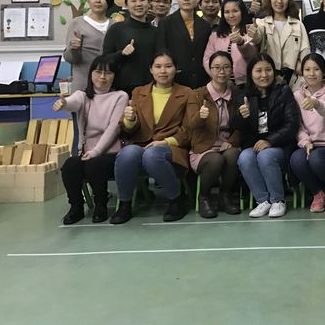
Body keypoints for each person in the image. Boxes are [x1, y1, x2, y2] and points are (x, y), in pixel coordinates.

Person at [111, 51, 192, 224]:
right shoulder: (138, 92)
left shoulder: (187, 93)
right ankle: (125, 205)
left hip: (172, 147)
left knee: (153, 154)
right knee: (127, 153)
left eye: (168, 66)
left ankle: (176, 201)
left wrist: (165, 142)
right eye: (158, 66)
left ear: (176, 69)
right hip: (142, 145)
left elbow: (188, 129)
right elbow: (128, 129)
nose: (163, 71)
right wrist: (130, 120)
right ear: (151, 70)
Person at [55, 56, 128, 224]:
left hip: (111, 153)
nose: (102, 77)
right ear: (91, 74)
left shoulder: (120, 96)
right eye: (98, 72)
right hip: (87, 153)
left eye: (108, 73)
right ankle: (76, 206)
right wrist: (63, 103)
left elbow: (113, 129)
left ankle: (101, 205)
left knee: (95, 164)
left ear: (114, 76)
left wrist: (96, 151)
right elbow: (72, 102)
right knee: (70, 165)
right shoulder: (82, 95)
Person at [234, 53, 300, 218]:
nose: (264, 75)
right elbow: (236, 127)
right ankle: (263, 200)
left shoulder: (283, 92)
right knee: (244, 158)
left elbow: (291, 125)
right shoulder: (243, 95)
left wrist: (270, 141)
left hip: (280, 145)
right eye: (258, 71)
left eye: (268, 70)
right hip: (254, 145)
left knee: (266, 156)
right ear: (250, 73)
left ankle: (278, 200)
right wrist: (242, 116)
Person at [186, 51, 242, 218]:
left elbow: (241, 127)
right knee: (216, 159)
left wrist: (232, 140)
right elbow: (190, 125)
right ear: (210, 70)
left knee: (233, 154)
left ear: (231, 69)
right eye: (217, 67)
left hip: (226, 145)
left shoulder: (237, 94)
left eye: (226, 67)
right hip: (203, 149)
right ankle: (204, 197)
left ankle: (225, 196)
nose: (221, 72)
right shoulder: (197, 94)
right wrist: (200, 117)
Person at [289, 53, 325, 213]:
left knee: (316, 159)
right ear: (302, 72)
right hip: (311, 145)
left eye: (316, 69)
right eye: (307, 69)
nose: (311, 73)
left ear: (324, 71)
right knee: (296, 159)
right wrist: (305, 142)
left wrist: (316, 103)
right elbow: (298, 126)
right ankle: (318, 193)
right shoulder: (297, 95)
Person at [249, 0, 310, 85]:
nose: (279, 1)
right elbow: (257, 37)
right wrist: (254, 33)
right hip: (268, 78)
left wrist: (303, 64)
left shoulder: (298, 25)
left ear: (289, 0)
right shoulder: (261, 23)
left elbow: (305, 50)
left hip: (294, 79)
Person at [156, 0, 211, 89]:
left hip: (201, 81)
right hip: (175, 80)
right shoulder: (166, 23)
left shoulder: (204, 25)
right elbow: (161, 52)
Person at [102, 0, 157, 95]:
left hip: (152, 89)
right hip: (123, 90)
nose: (138, 4)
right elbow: (104, 61)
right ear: (126, 4)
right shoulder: (116, 29)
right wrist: (121, 53)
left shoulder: (157, 31)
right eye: (133, 1)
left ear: (149, 3)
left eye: (142, 0)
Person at [64, 0, 115, 94]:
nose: (98, 1)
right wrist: (73, 49)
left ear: (109, 1)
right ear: (88, 0)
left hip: (108, 88)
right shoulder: (77, 23)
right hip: (83, 86)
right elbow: (70, 59)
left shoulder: (115, 25)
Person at [203, 0, 257, 87]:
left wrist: (241, 42)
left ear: (242, 12)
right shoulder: (215, 35)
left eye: (235, 11)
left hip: (246, 84)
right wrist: (218, 77)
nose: (231, 15)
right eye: (227, 12)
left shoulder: (250, 31)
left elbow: (252, 56)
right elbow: (207, 59)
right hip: (220, 85)